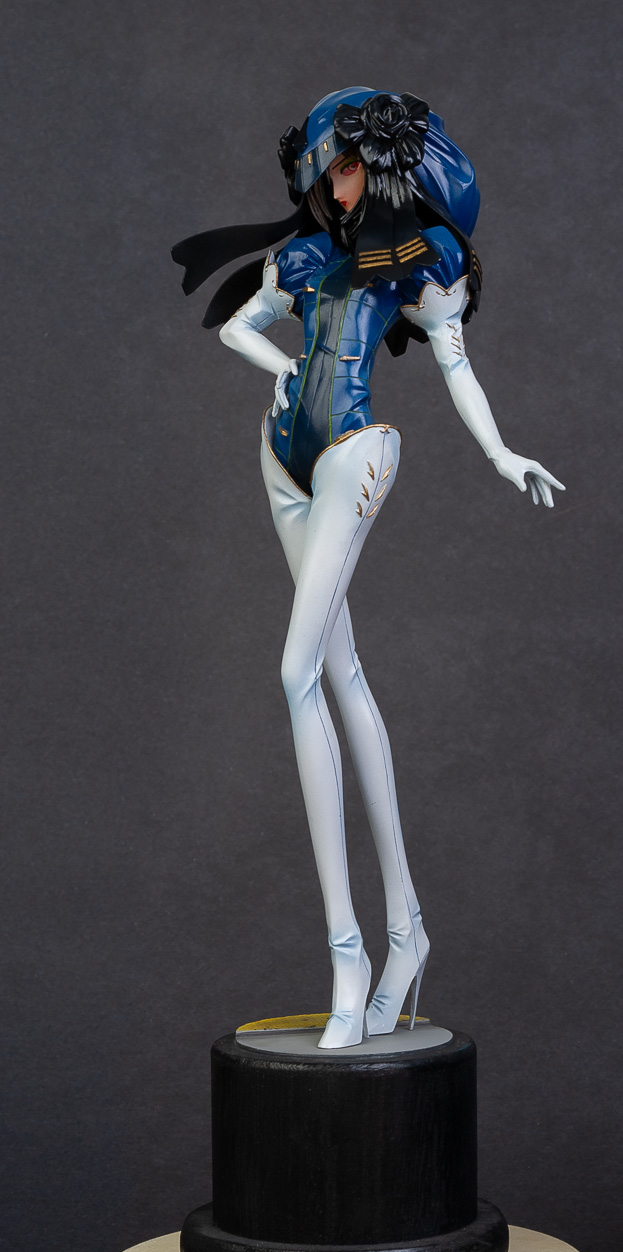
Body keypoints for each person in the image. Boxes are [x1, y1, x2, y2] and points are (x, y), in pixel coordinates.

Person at [173, 88, 562, 1048]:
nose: (335, 185)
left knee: (295, 671)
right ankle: (406, 933)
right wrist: (279, 369)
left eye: (349, 167)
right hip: (281, 457)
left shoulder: (419, 263)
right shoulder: (305, 256)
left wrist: (501, 453)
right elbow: (238, 325)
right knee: (340, 674)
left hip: (355, 450)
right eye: (329, 171)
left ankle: (350, 952)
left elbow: (456, 364)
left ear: (384, 170)